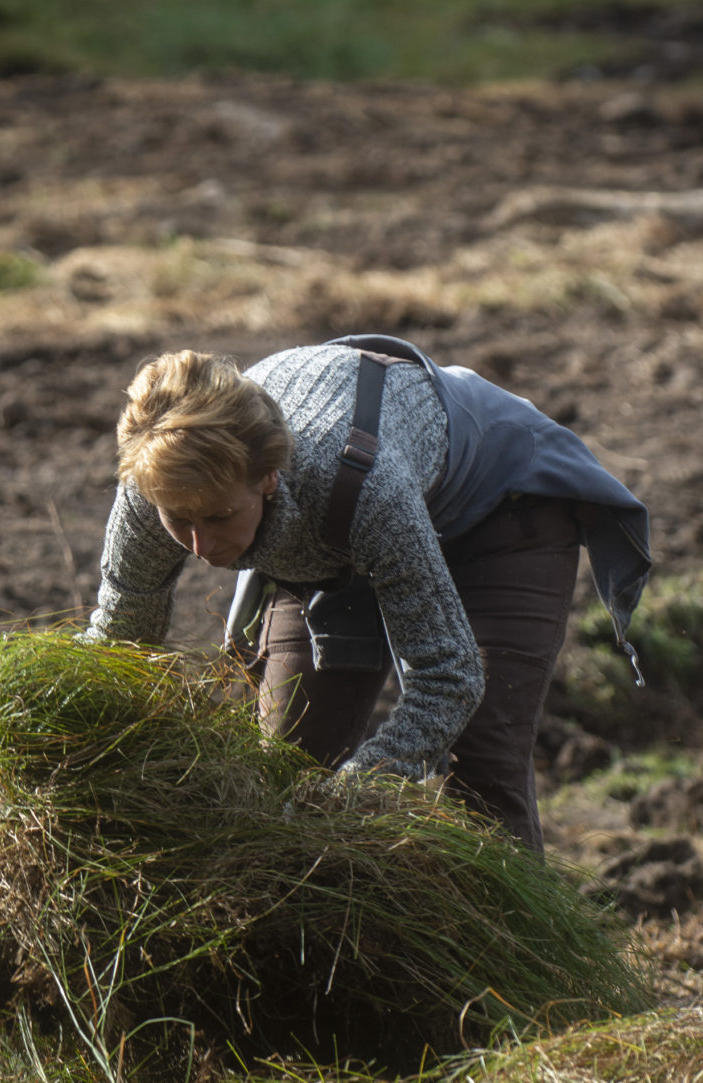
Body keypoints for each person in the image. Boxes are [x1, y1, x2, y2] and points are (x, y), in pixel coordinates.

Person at [85, 334, 652, 854]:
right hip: (338, 543)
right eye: (178, 520)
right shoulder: (151, 485)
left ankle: (515, 959)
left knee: (481, 767)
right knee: (290, 767)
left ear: (266, 478)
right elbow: (118, 642)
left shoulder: (355, 480)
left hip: (495, 516)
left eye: (219, 517)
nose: (201, 544)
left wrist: (365, 783)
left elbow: (450, 675)